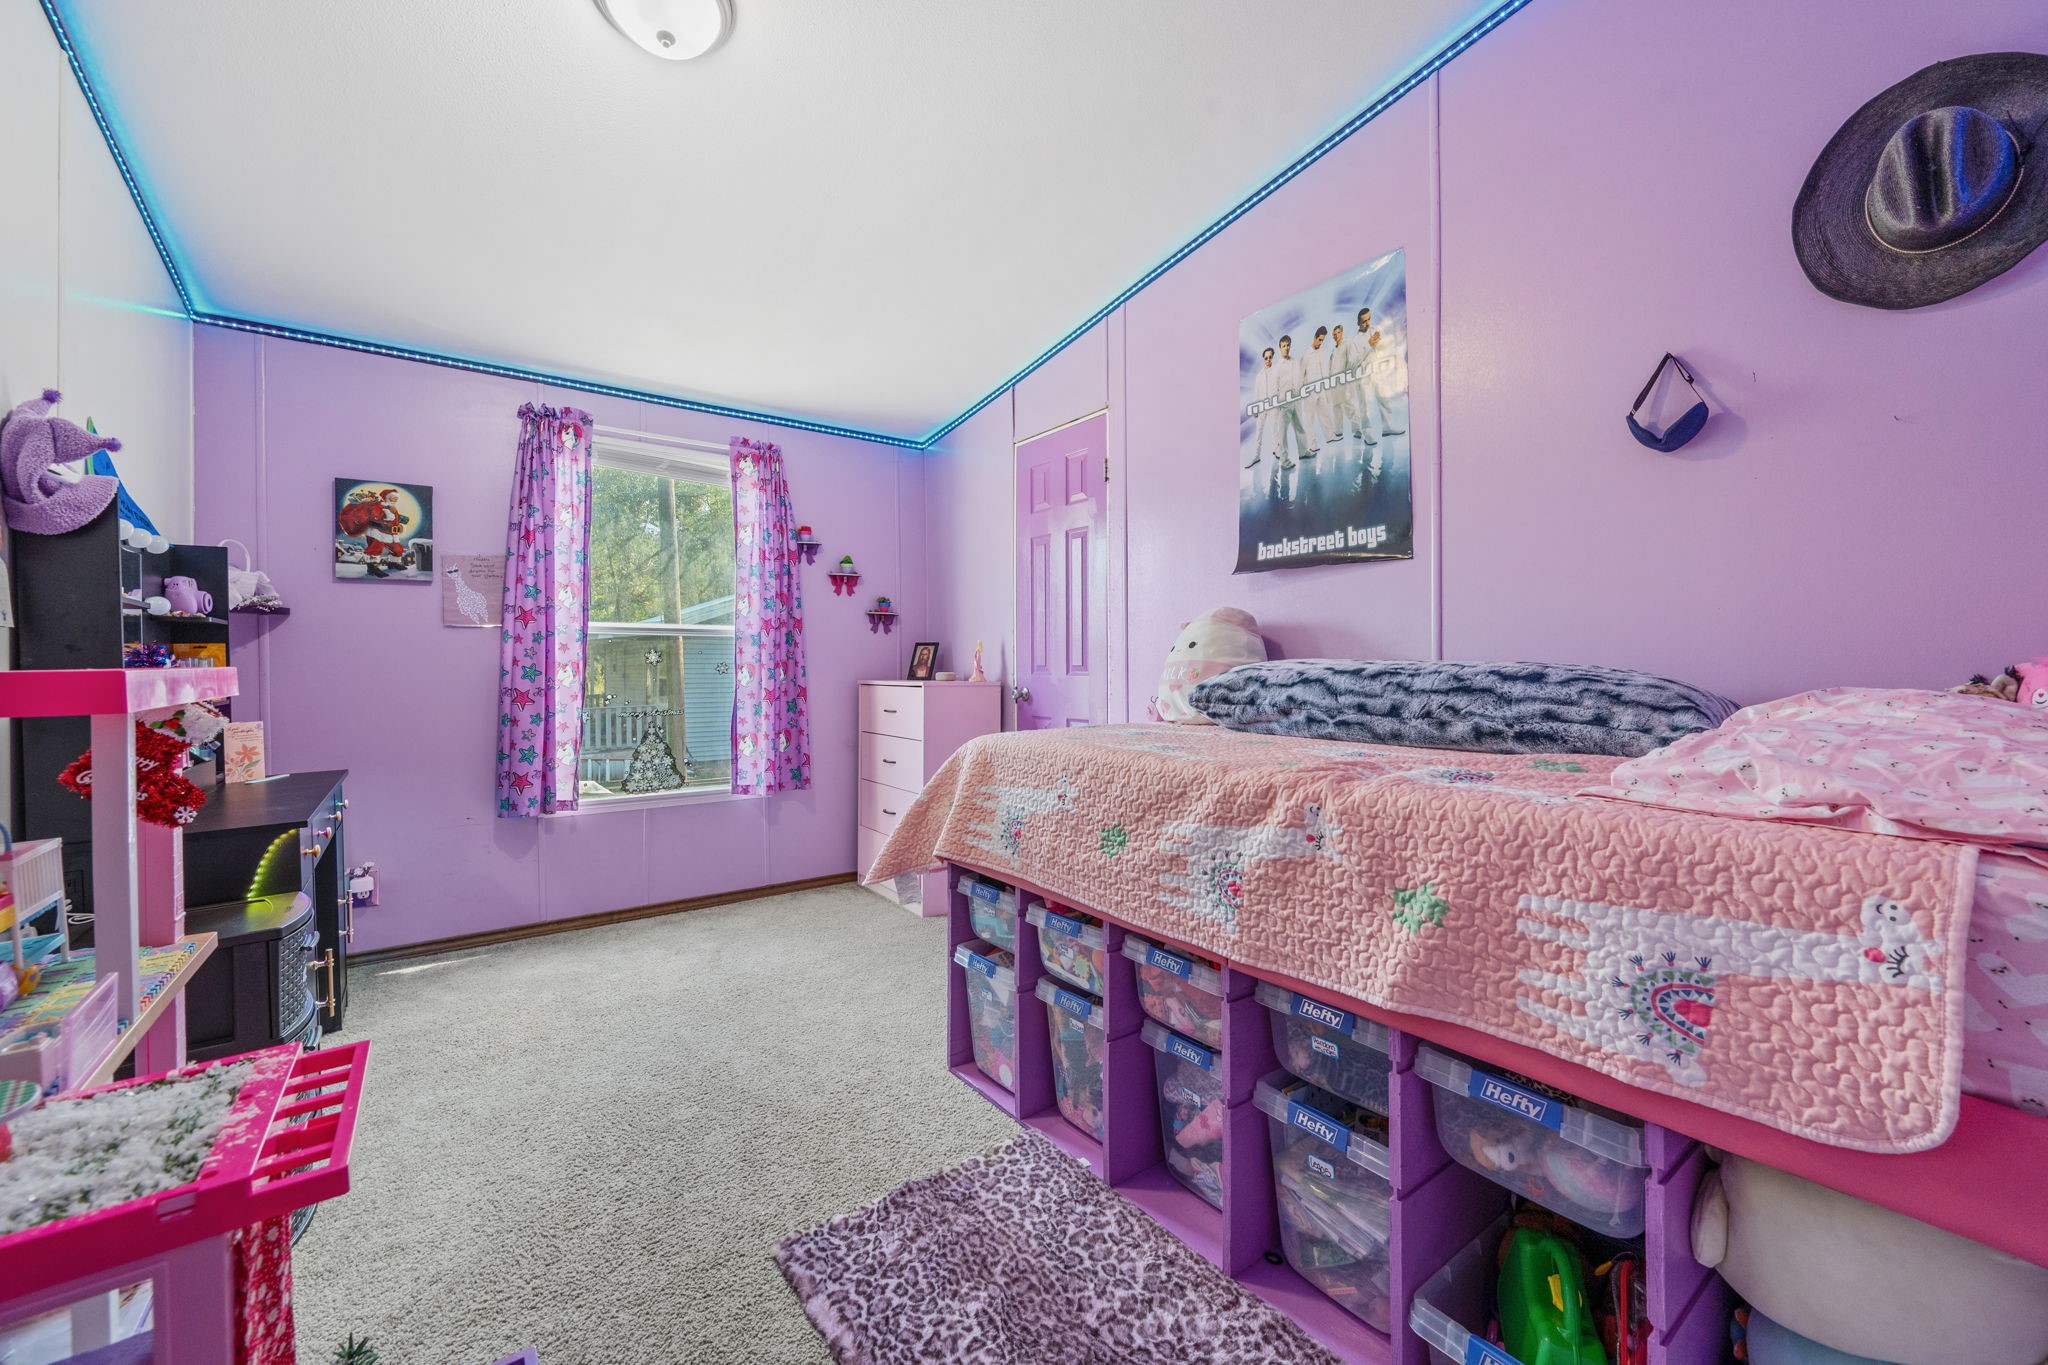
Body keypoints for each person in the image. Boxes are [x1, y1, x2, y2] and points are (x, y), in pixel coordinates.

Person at [1354, 306, 1407, 441]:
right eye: (1364, 321)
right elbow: (1355, 360)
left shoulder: (1375, 331)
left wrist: (1378, 342)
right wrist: (1369, 343)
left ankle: (1387, 427)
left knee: (1384, 399)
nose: (1368, 323)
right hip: (1363, 376)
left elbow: (1383, 348)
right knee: (1365, 405)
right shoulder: (1355, 340)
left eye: (1369, 319)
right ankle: (1367, 433)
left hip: (1377, 373)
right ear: (1358, 323)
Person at [1271, 335, 1311, 473]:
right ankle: (1284, 461)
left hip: (1296, 401)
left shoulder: (1294, 362)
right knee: (1282, 434)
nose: (1286, 348)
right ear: (1280, 348)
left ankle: (1303, 451)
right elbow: (1273, 388)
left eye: (1288, 345)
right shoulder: (1277, 367)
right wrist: (1278, 406)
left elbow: (1299, 379)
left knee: (1300, 427)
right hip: (1284, 404)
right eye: (1283, 346)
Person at [1245, 347, 1278, 470]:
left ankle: (1277, 451)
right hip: (1262, 406)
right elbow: (1256, 393)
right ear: (1263, 359)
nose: (1268, 360)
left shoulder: (1276, 371)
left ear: (1272, 357)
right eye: (1266, 358)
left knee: (1275, 429)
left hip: (1273, 406)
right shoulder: (1259, 376)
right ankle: (1256, 455)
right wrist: (1255, 408)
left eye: (1270, 357)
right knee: (1259, 431)